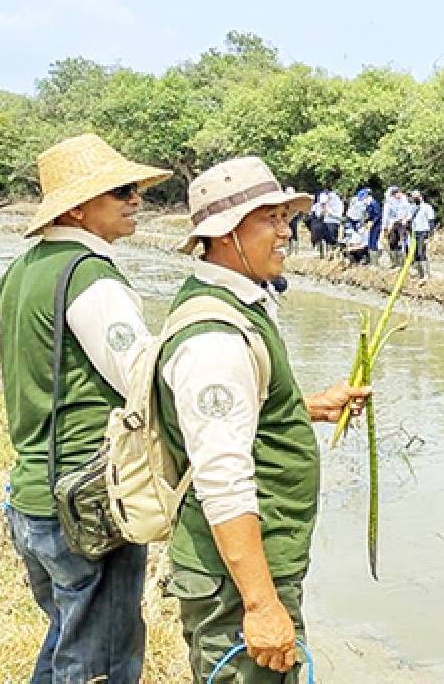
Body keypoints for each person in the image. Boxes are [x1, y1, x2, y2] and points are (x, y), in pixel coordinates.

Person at [160, 156, 370, 682]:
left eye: (285, 217)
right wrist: (261, 606)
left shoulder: (241, 307)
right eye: (270, 219)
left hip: (254, 571)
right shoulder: (215, 339)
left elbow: (230, 420)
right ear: (227, 234)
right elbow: (222, 480)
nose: (286, 232)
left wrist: (306, 409)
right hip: (236, 586)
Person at [0, 134, 171, 684]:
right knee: (99, 661)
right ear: (78, 208)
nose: (137, 200)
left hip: (30, 499)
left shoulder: (20, 272)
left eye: (134, 190)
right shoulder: (91, 278)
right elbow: (147, 383)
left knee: (68, 641)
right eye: (122, 191)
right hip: (86, 505)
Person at [409, 189, 435, 281]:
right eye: (413, 197)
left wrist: (430, 235)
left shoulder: (427, 207)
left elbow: (431, 221)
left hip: (424, 232)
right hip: (414, 232)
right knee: (415, 254)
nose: (414, 198)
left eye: (416, 196)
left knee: (421, 252)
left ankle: (426, 274)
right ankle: (419, 274)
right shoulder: (412, 208)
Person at [383, 186, 411, 268]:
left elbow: (408, 212)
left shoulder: (405, 200)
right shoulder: (389, 202)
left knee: (404, 242)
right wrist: (385, 227)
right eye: (394, 194)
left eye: (397, 193)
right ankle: (395, 262)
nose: (396, 196)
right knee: (392, 242)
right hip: (393, 224)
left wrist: (406, 219)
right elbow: (386, 215)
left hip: (403, 223)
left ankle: (405, 262)